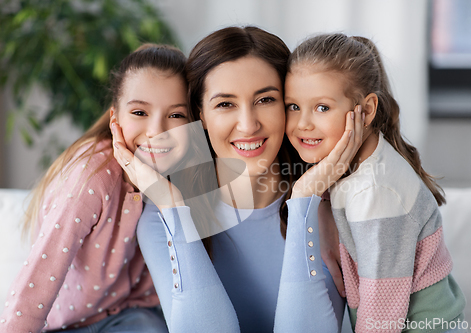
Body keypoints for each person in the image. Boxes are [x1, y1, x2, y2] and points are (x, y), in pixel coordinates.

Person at [111, 26, 364, 333]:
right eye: (225, 104)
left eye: (265, 100)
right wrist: (174, 208)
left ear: (289, 105)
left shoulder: (329, 209)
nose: (248, 124)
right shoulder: (160, 219)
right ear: (200, 114)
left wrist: (304, 203)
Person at [0, 43, 191, 332]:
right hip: (68, 325)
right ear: (115, 119)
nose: (156, 131)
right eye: (139, 112)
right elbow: (35, 282)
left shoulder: (187, 168)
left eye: (176, 115)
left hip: (131, 315)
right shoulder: (91, 178)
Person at [285, 33, 467, 333]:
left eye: (322, 108)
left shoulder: (375, 190)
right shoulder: (353, 166)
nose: (303, 123)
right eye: (293, 106)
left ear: (367, 110)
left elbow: (381, 311)